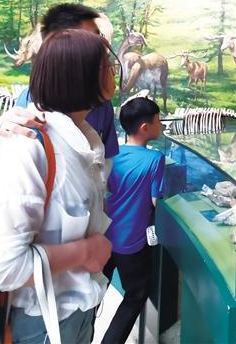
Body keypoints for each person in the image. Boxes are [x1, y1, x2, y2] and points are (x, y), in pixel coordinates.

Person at [0, 29, 115, 344]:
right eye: (107, 65)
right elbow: (0, 269)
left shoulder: (85, 140)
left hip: (78, 312)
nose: (114, 73)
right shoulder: (24, 148)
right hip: (40, 324)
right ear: (82, 75)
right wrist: (86, 252)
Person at [0, 4, 119, 164]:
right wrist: (9, 127)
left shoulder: (101, 105)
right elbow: (14, 139)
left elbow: (106, 157)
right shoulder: (31, 98)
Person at [101, 96, 165, 344]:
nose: (161, 125)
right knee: (136, 294)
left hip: (104, 238)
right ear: (145, 128)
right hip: (131, 244)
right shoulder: (155, 160)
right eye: (158, 121)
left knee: (94, 293)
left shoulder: (112, 155)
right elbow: (155, 201)